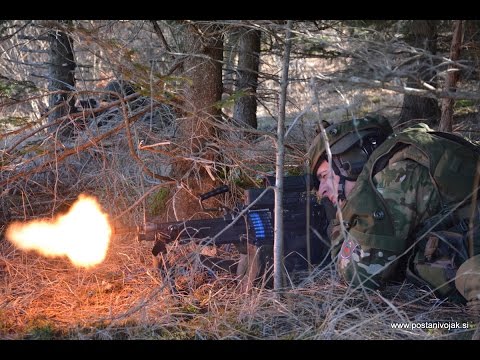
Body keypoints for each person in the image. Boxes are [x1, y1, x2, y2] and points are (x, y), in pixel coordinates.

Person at [307, 114, 480, 308]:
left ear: (350, 164)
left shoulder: (393, 180)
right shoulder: (403, 157)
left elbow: (359, 277)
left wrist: (339, 221)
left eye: (324, 176)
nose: (321, 190)